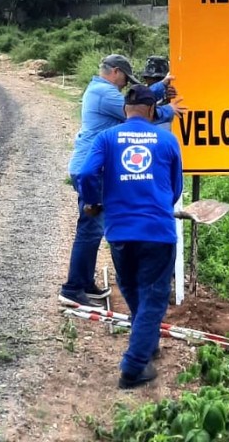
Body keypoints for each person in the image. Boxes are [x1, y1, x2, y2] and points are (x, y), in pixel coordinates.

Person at [76, 84, 183, 389]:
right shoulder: (167, 139)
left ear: (125, 110)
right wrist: (161, 204)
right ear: (151, 110)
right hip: (157, 231)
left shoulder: (107, 138)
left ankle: (146, 345)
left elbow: (84, 174)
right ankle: (134, 367)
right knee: (153, 296)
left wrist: (93, 202)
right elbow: (176, 188)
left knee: (135, 291)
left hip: (120, 231)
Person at [59, 54, 185, 308]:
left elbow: (137, 102)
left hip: (91, 168)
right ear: (115, 72)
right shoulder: (106, 93)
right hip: (91, 171)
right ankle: (73, 288)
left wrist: (159, 87)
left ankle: (84, 283)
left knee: (91, 230)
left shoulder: (99, 90)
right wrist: (169, 111)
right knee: (90, 230)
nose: (126, 84)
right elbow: (137, 112)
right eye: (126, 78)